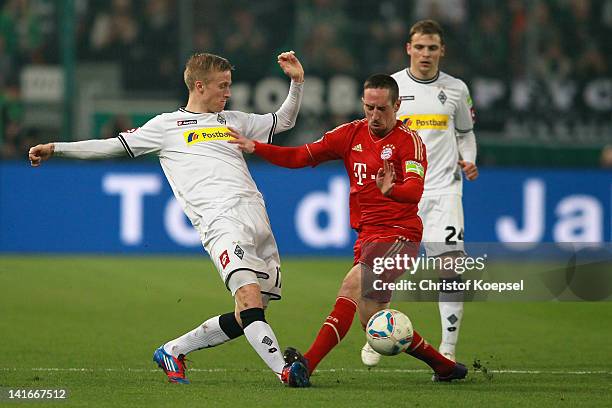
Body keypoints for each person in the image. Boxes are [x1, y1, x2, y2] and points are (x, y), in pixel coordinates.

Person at [28, 51, 311, 387]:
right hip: (220, 222)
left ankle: (173, 350)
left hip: (257, 219)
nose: (228, 93)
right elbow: (110, 147)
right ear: (200, 86)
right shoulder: (166, 127)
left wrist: (296, 82)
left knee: (250, 313)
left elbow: (284, 121)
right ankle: (284, 372)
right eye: (223, 86)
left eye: (230, 85)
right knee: (249, 300)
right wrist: (56, 148)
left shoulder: (233, 120)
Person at [229, 74, 468, 383]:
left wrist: (391, 190)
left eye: (382, 108)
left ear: (397, 105)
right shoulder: (350, 134)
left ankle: (305, 366)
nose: (375, 116)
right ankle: (445, 367)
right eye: (369, 107)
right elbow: (302, 155)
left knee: (350, 287)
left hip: (400, 234)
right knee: (374, 320)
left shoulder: (410, 142)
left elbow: (414, 191)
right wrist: (256, 147)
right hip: (367, 236)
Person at [361, 19, 479, 367]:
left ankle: (449, 347)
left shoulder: (456, 89)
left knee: (451, 267)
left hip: (443, 190)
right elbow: (372, 133)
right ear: (408, 49)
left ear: (441, 50)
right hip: (399, 193)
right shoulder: (392, 87)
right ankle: (375, 333)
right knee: (384, 268)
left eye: (432, 48)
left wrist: (468, 160)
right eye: (420, 47)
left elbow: (466, 133)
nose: (426, 54)